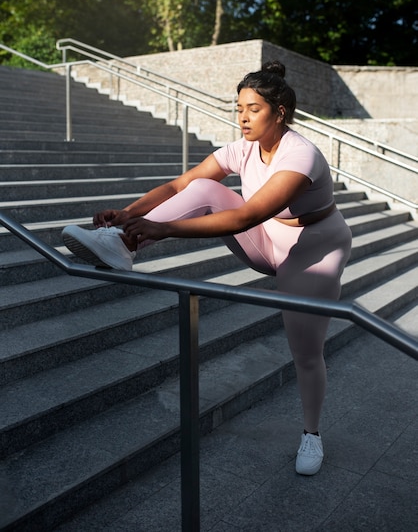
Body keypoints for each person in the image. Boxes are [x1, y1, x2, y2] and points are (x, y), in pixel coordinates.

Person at [62, 60, 352, 476]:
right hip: (267, 239)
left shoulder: (300, 155)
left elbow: (243, 218)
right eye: (238, 108)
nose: (243, 117)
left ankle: (312, 434)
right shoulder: (242, 148)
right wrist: (127, 214)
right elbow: (182, 185)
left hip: (313, 251)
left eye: (253, 109)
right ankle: (123, 244)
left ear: (280, 112)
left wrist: (161, 228)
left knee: (306, 353)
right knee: (203, 186)